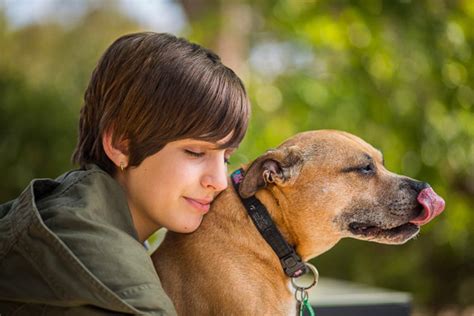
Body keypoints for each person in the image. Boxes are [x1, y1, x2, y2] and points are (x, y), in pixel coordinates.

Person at [0, 32, 250, 315]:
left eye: (226, 157)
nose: (218, 182)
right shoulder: (115, 292)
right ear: (121, 144)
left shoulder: (68, 215)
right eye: (195, 152)